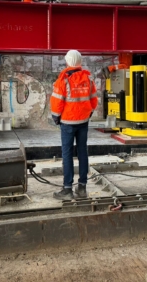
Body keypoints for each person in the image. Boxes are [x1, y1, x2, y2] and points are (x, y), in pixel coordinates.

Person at [50, 50, 98, 200]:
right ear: (80, 62)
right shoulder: (88, 79)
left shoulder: (63, 80)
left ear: (67, 62)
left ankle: (67, 189)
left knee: (67, 154)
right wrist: (88, 113)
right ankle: (82, 188)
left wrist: (56, 118)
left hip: (68, 123)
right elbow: (93, 100)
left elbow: (57, 103)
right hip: (83, 121)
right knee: (82, 152)